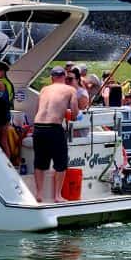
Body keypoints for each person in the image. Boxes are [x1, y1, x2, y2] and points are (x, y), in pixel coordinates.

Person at [32, 66, 78, 204]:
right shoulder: (70, 89)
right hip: (54, 128)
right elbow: (75, 114)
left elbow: (37, 110)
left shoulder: (44, 89)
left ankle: (39, 194)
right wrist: (69, 114)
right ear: (64, 77)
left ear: (52, 78)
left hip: (38, 127)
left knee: (40, 162)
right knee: (60, 162)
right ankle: (57, 196)